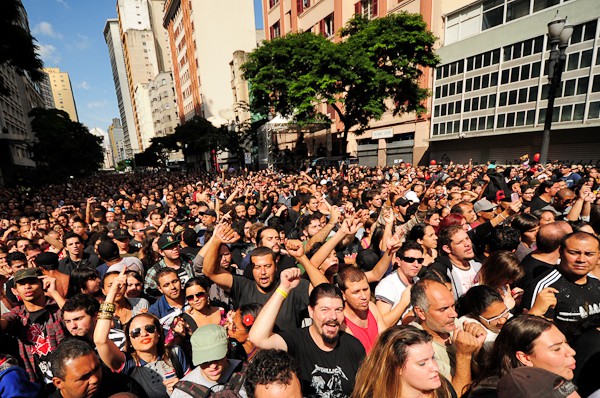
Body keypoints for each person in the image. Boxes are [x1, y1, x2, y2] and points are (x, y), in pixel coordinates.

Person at [249, 273, 366, 397]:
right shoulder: (296, 341)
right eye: (324, 310)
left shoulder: (354, 346)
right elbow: (258, 338)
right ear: (311, 311)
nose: (333, 317)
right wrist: (283, 289)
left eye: (338, 310)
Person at [94, 268, 190, 398]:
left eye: (149, 329)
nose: (143, 334)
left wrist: (182, 387)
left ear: (159, 333)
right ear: (130, 340)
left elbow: (192, 386)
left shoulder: (175, 353)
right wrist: (112, 292)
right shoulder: (127, 364)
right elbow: (100, 340)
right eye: (135, 332)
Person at [466, 315, 576, 398]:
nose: (571, 352)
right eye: (556, 349)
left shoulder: (553, 381)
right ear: (524, 358)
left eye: (566, 343)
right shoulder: (495, 393)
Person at [410, 278, 486, 395]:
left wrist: (477, 348)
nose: (454, 314)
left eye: (453, 306)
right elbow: (456, 394)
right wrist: (463, 355)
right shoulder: (415, 347)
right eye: (443, 309)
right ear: (420, 312)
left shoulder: (453, 324)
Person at [523, 231, 600, 340]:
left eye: (589, 254)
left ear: (598, 255)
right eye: (574, 253)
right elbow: (529, 335)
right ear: (560, 252)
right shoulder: (545, 287)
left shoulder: (597, 283)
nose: (581, 260)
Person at [0, 267, 66, 385]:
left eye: (32, 282)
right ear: (15, 291)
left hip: (66, 375)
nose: (27, 287)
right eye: (22, 284)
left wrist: (54, 292)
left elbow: (74, 316)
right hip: (36, 382)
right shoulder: (17, 315)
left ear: (43, 284)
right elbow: (3, 322)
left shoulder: (57, 309)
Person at [351, 325, 457, 398]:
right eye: (422, 363)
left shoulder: (443, 389)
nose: (435, 368)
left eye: (433, 358)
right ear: (398, 368)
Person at [49, 338, 147, 398]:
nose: (95, 379)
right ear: (58, 383)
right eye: (84, 377)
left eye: (97, 369)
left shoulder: (124, 386)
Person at [171, 324, 247, 398]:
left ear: (227, 349)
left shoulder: (248, 374)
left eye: (217, 358)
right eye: (205, 361)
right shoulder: (182, 392)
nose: (213, 366)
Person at [338, 267, 387, 353]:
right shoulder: (341, 322)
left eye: (365, 289)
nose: (364, 297)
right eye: (356, 292)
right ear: (343, 295)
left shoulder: (371, 307)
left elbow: (387, 341)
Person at [375, 240, 424, 326]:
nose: (416, 264)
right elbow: (382, 323)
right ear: (398, 261)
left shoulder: (417, 281)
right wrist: (403, 303)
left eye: (420, 260)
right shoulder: (387, 285)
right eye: (410, 260)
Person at [431, 226, 482, 299]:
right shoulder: (442, 272)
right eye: (460, 242)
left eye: (467, 238)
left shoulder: (478, 265)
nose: (467, 244)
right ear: (447, 249)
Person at [457, 285, 511, 351]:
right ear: (475, 316)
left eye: (504, 312)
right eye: (494, 318)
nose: (502, 321)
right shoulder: (467, 323)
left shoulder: (503, 311)